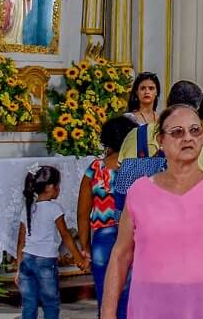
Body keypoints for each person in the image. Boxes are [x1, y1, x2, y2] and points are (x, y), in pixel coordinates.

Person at [100, 102, 203, 319]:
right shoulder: (140, 191)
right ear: (161, 140)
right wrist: (108, 313)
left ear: (202, 139)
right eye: (177, 132)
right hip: (152, 305)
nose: (188, 138)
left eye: (194, 130)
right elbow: (121, 254)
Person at [18, 165, 87, 319]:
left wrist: (18, 268)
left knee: (29, 303)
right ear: (49, 187)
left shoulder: (28, 208)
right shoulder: (54, 208)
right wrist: (79, 259)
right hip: (45, 262)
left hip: (27, 260)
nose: (59, 189)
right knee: (50, 302)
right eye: (57, 185)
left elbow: (21, 242)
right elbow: (66, 236)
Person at [78, 117, 132, 309]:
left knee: (105, 298)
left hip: (102, 238)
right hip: (131, 236)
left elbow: (83, 214)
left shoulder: (96, 168)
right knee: (128, 298)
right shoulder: (137, 168)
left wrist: (85, 247)